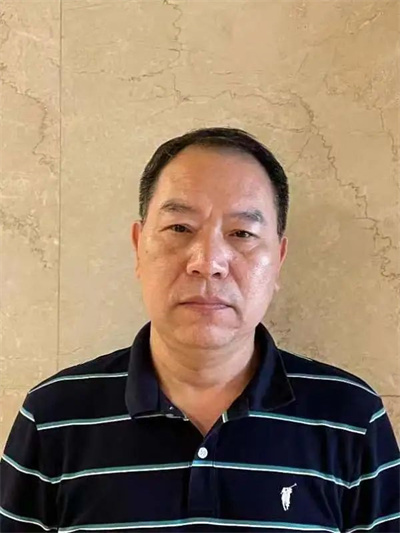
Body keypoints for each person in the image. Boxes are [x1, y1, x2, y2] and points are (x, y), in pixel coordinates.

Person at [1, 127, 399, 533]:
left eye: (242, 233)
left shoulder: (351, 419)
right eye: (180, 228)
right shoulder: (53, 418)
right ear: (138, 246)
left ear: (278, 259)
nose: (208, 262)